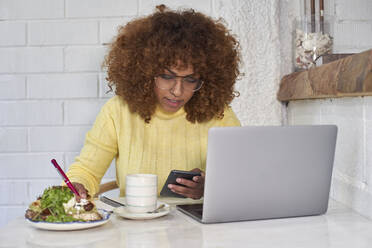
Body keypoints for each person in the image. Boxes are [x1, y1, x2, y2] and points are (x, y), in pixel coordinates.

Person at [66, 5, 241, 200]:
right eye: (167, 77)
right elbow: (87, 170)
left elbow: (238, 177)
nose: (177, 91)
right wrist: (77, 184)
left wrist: (210, 188)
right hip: (135, 225)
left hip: (196, 225)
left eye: (190, 80)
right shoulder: (118, 111)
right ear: (145, 73)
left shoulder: (219, 114)